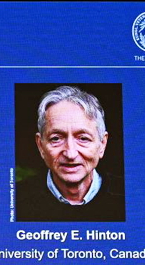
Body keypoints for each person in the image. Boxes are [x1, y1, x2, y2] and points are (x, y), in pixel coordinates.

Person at [15, 85, 124, 222]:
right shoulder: (15, 201)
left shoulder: (128, 197)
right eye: (56, 138)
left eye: (83, 138)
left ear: (102, 144)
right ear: (40, 145)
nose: (70, 154)